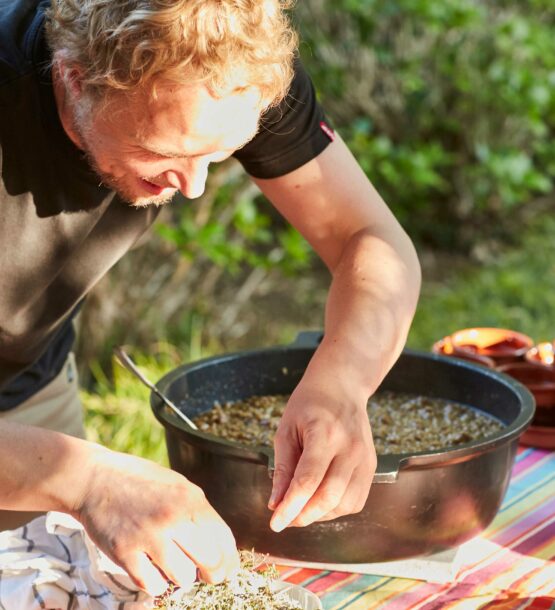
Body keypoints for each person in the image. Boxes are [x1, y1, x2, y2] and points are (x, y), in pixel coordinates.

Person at [0, 0, 421, 597]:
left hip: (32, 394)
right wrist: (89, 478)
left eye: (218, 156)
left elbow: (370, 239)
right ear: (72, 76)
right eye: (164, 152)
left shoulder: (232, 67)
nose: (193, 188)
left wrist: (342, 383)